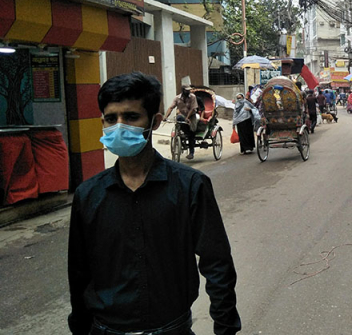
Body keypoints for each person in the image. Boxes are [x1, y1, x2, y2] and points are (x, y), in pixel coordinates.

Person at [68, 72, 241, 335]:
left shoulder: (190, 186)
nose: (119, 126)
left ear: (155, 122)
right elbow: (79, 274)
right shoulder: (88, 195)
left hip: (171, 329)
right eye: (111, 119)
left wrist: (225, 327)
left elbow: (217, 264)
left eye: (131, 117)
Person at [164, 85, 198, 159]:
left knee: (192, 133)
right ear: (183, 90)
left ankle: (191, 152)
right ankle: (181, 137)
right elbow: (171, 107)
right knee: (178, 119)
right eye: (186, 90)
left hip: (191, 116)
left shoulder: (193, 97)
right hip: (182, 116)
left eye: (189, 90)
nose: (188, 91)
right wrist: (165, 117)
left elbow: (192, 109)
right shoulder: (177, 98)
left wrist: (187, 118)